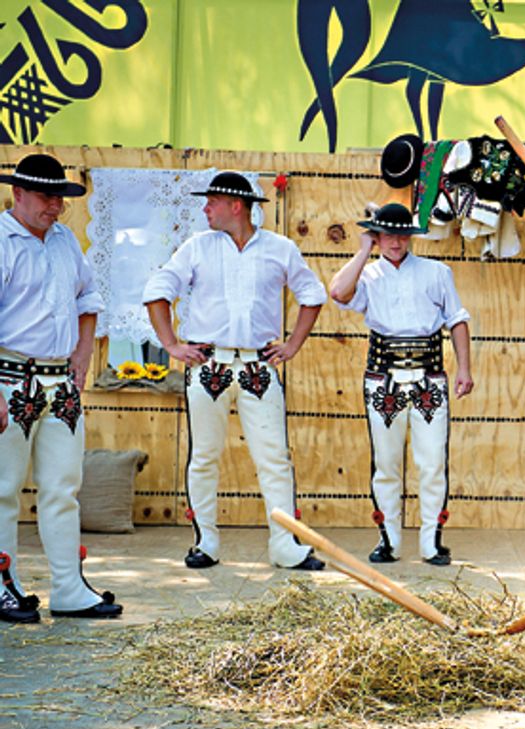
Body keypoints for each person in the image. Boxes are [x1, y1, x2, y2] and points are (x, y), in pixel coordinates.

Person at [143, 172, 326, 571]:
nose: (205, 208)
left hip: (259, 365)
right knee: (204, 456)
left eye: (212, 201)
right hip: (209, 366)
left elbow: (312, 294)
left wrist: (292, 344)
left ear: (236, 205)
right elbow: (157, 289)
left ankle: (284, 545)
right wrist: (171, 344)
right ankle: (205, 542)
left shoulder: (281, 248)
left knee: (274, 457)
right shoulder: (197, 247)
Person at [0, 154, 123, 622]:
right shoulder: (1, 239)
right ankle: (1, 582)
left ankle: (69, 587)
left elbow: (88, 298)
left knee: (63, 487)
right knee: (2, 487)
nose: (56, 206)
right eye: (47, 197)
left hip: (60, 381)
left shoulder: (65, 240)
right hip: (8, 375)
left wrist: (84, 353)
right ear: (19, 194)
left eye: (59, 197)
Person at [328, 202, 473, 566]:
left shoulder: (437, 272)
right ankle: (388, 540)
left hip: (429, 376)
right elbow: (337, 292)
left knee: (432, 461)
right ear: (378, 236)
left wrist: (464, 369)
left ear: (411, 236)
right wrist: (363, 249)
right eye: (388, 235)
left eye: (402, 234)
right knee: (386, 463)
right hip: (384, 378)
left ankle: (431, 543)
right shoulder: (368, 275)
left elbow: (457, 320)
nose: (396, 242)